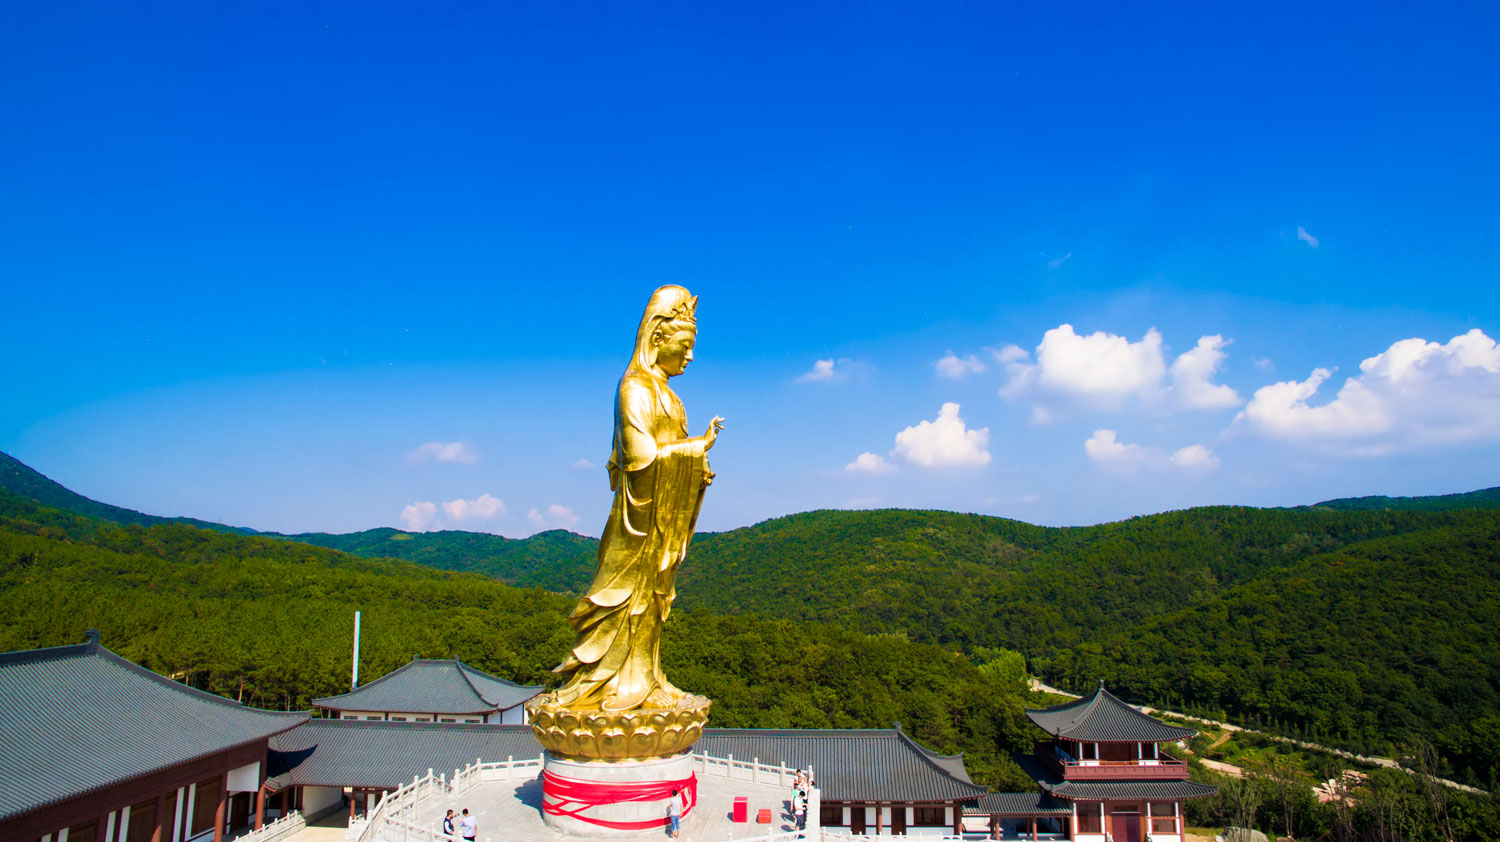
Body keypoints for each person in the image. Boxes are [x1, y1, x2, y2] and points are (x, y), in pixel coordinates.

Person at [551, 286, 725, 712]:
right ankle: (612, 684)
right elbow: (639, 458)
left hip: (661, 527)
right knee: (629, 601)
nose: (690, 357)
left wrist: (697, 464)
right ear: (657, 339)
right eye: (685, 345)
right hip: (638, 525)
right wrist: (695, 448)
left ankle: (646, 676)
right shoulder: (635, 388)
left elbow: (671, 450)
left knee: (654, 601)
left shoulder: (671, 396)